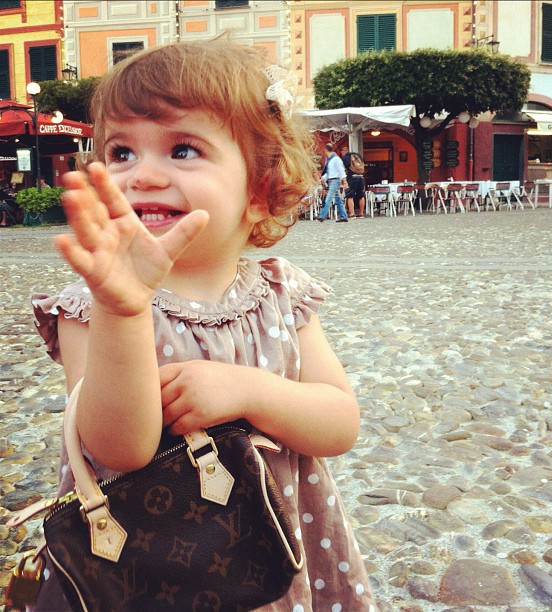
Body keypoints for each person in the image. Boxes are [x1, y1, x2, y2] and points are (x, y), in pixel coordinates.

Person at [29, 40, 375, 611]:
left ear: (260, 193)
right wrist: (125, 309)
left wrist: (250, 390)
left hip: (271, 554)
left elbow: (339, 424)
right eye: (120, 153)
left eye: (183, 150)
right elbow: (119, 448)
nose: (141, 174)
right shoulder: (93, 305)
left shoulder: (281, 294)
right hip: (143, 564)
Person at [317, 143, 349, 222]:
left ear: (326, 150)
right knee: (337, 199)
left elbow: (341, 171)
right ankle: (344, 216)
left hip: (335, 180)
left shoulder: (335, 159)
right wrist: (323, 178)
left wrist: (345, 182)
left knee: (329, 198)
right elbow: (330, 172)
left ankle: (322, 215)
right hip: (333, 180)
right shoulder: (331, 159)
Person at [341, 145, 366, 218]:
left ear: (344, 151)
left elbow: (343, 170)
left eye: (342, 151)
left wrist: (344, 181)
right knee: (361, 196)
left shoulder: (345, 158)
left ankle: (352, 214)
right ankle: (361, 213)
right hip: (361, 177)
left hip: (352, 178)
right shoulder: (358, 156)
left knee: (350, 196)